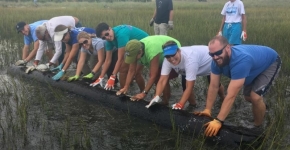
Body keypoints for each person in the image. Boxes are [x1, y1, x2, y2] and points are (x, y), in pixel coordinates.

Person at [195, 36, 281, 137]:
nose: (215, 57)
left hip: (270, 62)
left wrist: (219, 120)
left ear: (227, 48)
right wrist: (207, 110)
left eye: (218, 53)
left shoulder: (241, 61)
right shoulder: (215, 61)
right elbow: (214, 86)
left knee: (255, 97)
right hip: (253, 66)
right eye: (211, 54)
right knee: (248, 97)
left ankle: (257, 128)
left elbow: (231, 96)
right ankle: (263, 107)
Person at [146, 41, 225, 110]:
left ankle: (223, 98)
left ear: (179, 51)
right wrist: (157, 96)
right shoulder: (167, 60)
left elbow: (190, 86)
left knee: (214, 84)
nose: (171, 59)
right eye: (167, 56)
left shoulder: (190, 59)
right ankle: (193, 105)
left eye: (173, 54)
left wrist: (180, 104)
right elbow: (162, 80)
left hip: (208, 63)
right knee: (184, 86)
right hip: (187, 67)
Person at [116, 35, 180, 105]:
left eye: (134, 57)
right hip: (154, 50)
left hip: (170, 51)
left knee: (161, 79)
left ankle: (165, 102)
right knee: (152, 78)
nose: (133, 60)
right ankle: (156, 94)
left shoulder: (152, 51)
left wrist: (144, 93)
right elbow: (132, 71)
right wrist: (126, 86)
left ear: (140, 52)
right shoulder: (134, 49)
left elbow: (153, 76)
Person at [91, 23, 148, 91]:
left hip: (144, 47)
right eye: (104, 38)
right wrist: (100, 77)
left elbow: (120, 59)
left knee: (136, 73)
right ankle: (123, 90)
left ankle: (143, 92)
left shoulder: (121, 35)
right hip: (132, 48)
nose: (107, 37)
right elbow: (107, 60)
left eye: (107, 34)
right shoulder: (108, 41)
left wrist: (113, 77)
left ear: (110, 28)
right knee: (123, 70)